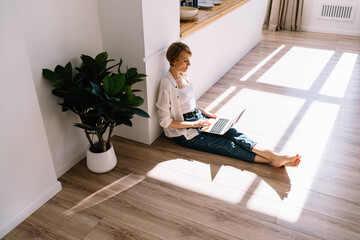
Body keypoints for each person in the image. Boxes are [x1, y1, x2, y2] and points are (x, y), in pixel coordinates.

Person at [156, 42, 301, 167]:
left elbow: (187, 102)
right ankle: (274, 159)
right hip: (186, 133)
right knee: (226, 146)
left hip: (199, 118)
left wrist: (204, 112)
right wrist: (193, 124)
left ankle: (274, 157)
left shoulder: (184, 76)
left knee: (232, 132)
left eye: (189, 60)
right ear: (174, 61)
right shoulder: (166, 85)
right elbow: (165, 121)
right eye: (185, 60)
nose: (190, 64)